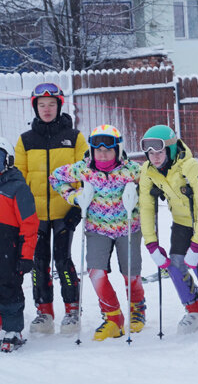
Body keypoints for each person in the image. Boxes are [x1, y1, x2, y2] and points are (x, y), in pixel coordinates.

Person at [49, 125, 144, 341]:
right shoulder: (84, 169)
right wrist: (75, 196)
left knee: (131, 272)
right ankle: (113, 317)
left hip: (128, 227)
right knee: (95, 272)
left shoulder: (132, 170)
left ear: (117, 150)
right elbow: (55, 178)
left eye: (108, 150)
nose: (102, 154)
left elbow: (151, 183)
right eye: (97, 149)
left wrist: (137, 192)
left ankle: (137, 308)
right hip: (97, 229)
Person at [139, 125, 198, 335]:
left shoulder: (190, 167)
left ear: (170, 150)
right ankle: (193, 310)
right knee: (174, 265)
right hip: (181, 221)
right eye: (150, 153)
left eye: (160, 152)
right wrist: (151, 244)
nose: (155, 157)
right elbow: (145, 206)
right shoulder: (148, 171)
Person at [14, 83, 88, 334]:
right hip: (35, 215)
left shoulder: (75, 138)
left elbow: (87, 174)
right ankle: (44, 312)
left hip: (65, 212)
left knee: (63, 260)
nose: (47, 110)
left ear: (59, 106)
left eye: (52, 104)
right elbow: (19, 180)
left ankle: (71, 310)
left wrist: (78, 206)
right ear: (35, 107)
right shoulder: (25, 140)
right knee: (39, 261)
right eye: (42, 105)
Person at [0, 138, 39, 352]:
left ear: (8, 161)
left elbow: (30, 224)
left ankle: (12, 330)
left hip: (9, 251)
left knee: (9, 289)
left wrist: (26, 256)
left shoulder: (17, 188)